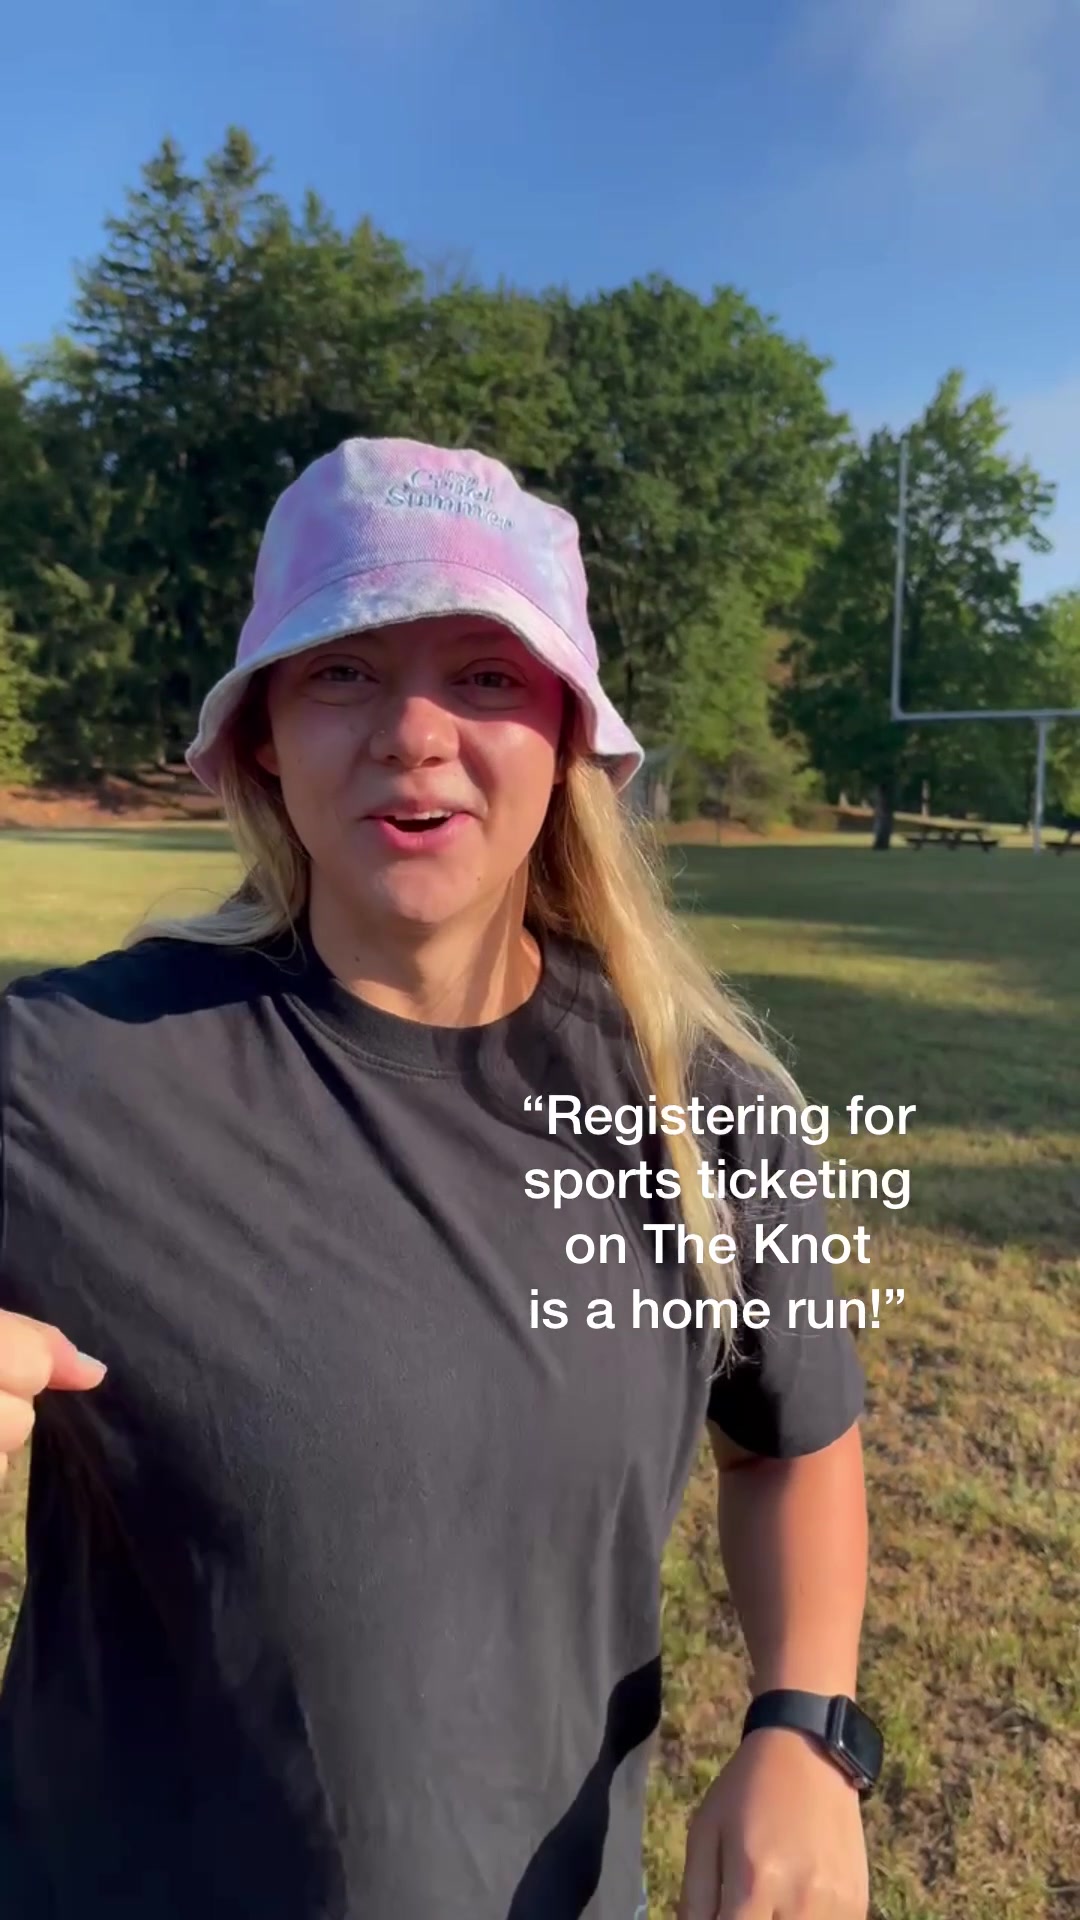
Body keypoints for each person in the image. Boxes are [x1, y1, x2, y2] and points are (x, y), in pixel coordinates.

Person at [0, 437, 875, 1919]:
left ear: (566, 734)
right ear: (264, 733)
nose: (413, 733)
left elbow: (793, 1442)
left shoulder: (700, 1113)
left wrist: (804, 1725)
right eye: (344, 671)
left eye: (483, 675)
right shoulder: (64, 1074)